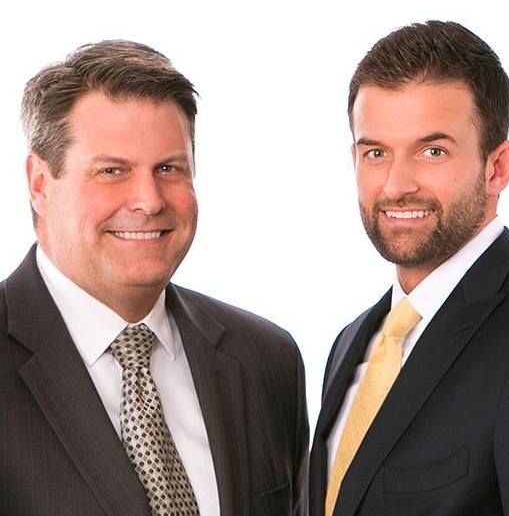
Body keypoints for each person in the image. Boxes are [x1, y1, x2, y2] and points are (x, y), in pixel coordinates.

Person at [0, 40, 308, 516]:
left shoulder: (266, 358)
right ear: (40, 183)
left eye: (169, 168)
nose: (149, 200)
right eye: (112, 171)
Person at [310, 21, 509, 515]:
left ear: (498, 167)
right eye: (376, 152)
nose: (396, 185)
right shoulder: (352, 342)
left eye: (432, 151)